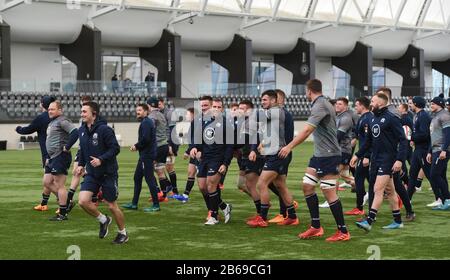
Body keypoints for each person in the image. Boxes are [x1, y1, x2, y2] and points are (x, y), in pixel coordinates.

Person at [279, 79, 350, 242]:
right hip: (319, 155)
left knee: (328, 191)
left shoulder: (320, 104)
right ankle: (316, 227)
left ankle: (343, 231)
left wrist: (289, 146)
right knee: (307, 186)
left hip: (329, 155)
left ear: (309, 91)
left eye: (306, 91)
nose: (305, 94)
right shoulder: (321, 103)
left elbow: (307, 130)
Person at [351, 93, 408, 231]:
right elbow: (368, 141)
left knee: (377, 189)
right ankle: (398, 221)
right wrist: (358, 155)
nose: (371, 103)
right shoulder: (372, 119)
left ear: (380, 103)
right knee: (390, 191)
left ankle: (369, 221)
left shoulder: (391, 118)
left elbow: (403, 140)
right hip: (376, 160)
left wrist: (400, 160)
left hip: (388, 160)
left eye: (373, 101)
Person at [76, 101, 128, 244]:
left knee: (112, 205)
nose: (82, 114)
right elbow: (82, 150)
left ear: (94, 114)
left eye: (84, 112)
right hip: (92, 173)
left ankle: (123, 232)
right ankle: (103, 219)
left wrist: (101, 159)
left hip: (108, 173)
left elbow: (115, 149)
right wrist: (81, 165)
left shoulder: (104, 129)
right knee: (82, 201)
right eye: (81, 111)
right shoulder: (81, 130)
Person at [247, 90, 298, 228]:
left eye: (265, 100)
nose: (262, 102)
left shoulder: (276, 112)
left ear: (274, 101)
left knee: (261, 184)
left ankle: (262, 218)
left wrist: (244, 111)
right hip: (275, 153)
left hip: (277, 154)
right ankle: (292, 217)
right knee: (281, 186)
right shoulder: (272, 113)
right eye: (261, 100)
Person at [189, 96, 233, 225]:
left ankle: (213, 215)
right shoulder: (205, 122)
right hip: (204, 158)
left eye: (219, 107)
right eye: (214, 106)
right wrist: (194, 148)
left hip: (217, 159)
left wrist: (225, 163)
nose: (216, 109)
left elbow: (230, 147)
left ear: (223, 109)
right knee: (203, 187)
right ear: (211, 107)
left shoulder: (226, 124)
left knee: (211, 185)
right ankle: (224, 207)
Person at [375, 88, 415, 220]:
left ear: (385, 97)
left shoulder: (394, 113)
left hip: (392, 156)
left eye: (379, 95)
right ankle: (375, 214)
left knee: (396, 185)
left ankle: (408, 210)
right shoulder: (379, 112)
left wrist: (399, 159)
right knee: (387, 186)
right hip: (379, 155)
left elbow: (400, 137)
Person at [16, 95, 55, 211]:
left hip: (47, 153)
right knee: (49, 180)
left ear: (43, 104)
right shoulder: (56, 117)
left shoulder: (41, 118)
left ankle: (66, 202)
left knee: (50, 180)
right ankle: (44, 203)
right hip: (56, 151)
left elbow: (27, 130)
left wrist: (18, 129)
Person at [267, 89, 298, 223]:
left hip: (281, 152)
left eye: (275, 98)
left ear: (281, 100)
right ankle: (288, 211)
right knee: (278, 183)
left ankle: (285, 211)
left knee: (273, 183)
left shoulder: (282, 114)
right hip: (278, 151)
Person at [122, 104, 160, 212]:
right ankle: (134, 203)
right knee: (137, 178)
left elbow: (146, 139)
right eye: (136, 110)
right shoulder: (145, 122)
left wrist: (136, 146)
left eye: (139, 110)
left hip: (147, 156)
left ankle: (156, 205)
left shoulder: (147, 123)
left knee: (150, 179)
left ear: (146, 111)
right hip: (144, 155)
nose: (137, 112)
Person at [45, 100, 79, 221]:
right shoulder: (53, 121)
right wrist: (48, 157)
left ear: (60, 110)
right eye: (49, 109)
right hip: (52, 157)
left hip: (60, 156)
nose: (50, 111)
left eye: (52, 109)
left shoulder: (62, 121)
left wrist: (67, 146)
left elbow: (75, 132)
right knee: (47, 182)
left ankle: (63, 213)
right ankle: (66, 202)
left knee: (60, 185)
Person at [344, 96, 372, 216]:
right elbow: (358, 135)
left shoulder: (367, 118)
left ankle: (360, 208)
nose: (355, 107)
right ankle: (360, 207)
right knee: (370, 180)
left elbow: (368, 140)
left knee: (359, 179)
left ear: (362, 106)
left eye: (356, 105)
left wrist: (365, 156)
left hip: (366, 155)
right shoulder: (362, 118)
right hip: (363, 154)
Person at [407, 97, 432, 206]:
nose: (409, 105)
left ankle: (441, 198)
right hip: (418, 149)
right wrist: (413, 139)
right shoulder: (417, 115)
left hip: (423, 150)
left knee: (431, 175)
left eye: (411, 103)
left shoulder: (424, 116)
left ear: (416, 104)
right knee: (412, 174)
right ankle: (408, 199)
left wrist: (411, 137)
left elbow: (424, 134)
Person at [147, 97, 173, 201]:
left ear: (149, 105)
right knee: (159, 170)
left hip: (156, 146)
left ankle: (158, 192)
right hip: (164, 145)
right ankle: (164, 193)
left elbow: (150, 132)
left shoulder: (151, 117)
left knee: (148, 169)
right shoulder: (162, 115)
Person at [427, 96, 450, 210]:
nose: (431, 105)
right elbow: (433, 135)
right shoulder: (435, 116)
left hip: (441, 150)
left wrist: (444, 150)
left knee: (434, 175)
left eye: (433, 103)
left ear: (439, 104)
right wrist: (430, 151)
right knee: (440, 175)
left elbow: (448, 135)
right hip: (435, 150)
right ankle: (445, 201)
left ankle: (447, 200)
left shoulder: (445, 115)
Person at [173, 108, 198, 203]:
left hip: (199, 153)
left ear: (193, 114)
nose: (186, 116)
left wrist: (187, 151)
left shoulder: (197, 124)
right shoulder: (192, 124)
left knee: (204, 179)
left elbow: (196, 141)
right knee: (191, 173)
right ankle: (185, 195)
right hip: (193, 152)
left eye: (187, 114)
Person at [159, 98, 179, 196]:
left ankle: (174, 191)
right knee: (159, 168)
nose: (157, 106)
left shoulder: (170, 113)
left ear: (163, 103)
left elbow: (172, 131)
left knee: (169, 167)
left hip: (170, 143)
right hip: (161, 144)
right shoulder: (157, 114)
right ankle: (168, 189)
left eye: (159, 104)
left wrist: (170, 145)